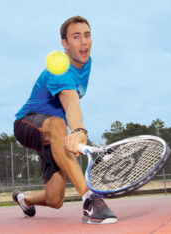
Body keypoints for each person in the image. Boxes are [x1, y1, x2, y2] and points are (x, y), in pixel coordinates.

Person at [12, 16, 117, 224]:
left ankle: (24, 200)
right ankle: (90, 200)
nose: (84, 42)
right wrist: (79, 130)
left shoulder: (86, 63)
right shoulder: (59, 68)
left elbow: (73, 102)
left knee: (55, 199)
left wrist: (76, 132)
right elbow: (70, 101)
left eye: (87, 35)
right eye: (76, 37)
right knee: (59, 125)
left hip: (53, 133)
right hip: (27, 123)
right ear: (65, 44)